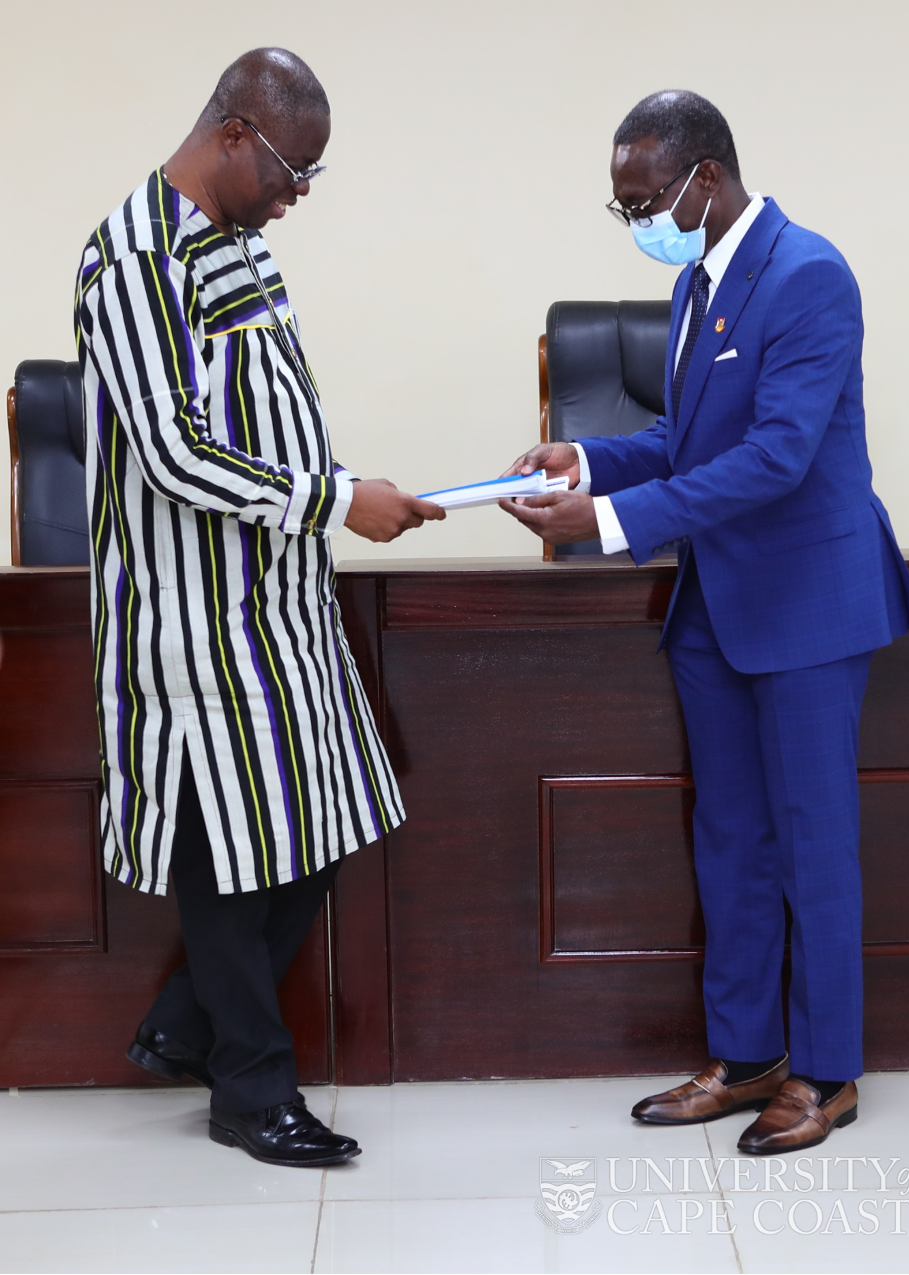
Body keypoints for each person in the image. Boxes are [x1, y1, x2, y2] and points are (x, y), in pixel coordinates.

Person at [501, 90, 909, 1154]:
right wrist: (590, 459)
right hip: (715, 613)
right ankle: (747, 1058)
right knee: (728, 842)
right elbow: (688, 437)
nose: (637, 220)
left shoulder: (808, 274)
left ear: (702, 177)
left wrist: (605, 520)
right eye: (622, 207)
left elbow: (776, 456)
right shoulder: (702, 280)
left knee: (810, 846)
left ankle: (825, 1074)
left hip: (805, 609)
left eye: (642, 199)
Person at [74, 48, 445, 1168]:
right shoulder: (132, 257)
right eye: (293, 167)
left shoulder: (229, 244)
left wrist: (347, 490)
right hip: (191, 627)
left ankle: (186, 1024)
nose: (296, 193)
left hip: (274, 602)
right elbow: (174, 450)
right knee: (225, 854)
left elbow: (257, 413)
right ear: (234, 132)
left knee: (324, 823)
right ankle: (249, 1086)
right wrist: (338, 498)